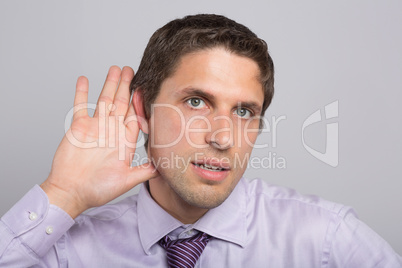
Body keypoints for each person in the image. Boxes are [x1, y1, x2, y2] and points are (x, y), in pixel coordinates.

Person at [0, 14, 401, 268]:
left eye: (244, 112)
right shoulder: (68, 251)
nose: (224, 137)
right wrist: (64, 194)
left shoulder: (324, 239)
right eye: (196, 102)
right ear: (143, 109)